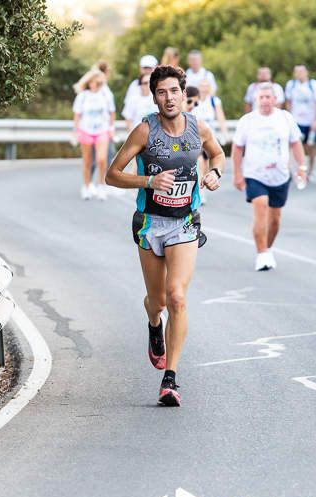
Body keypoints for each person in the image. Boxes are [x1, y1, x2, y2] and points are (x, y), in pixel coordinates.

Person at [106, 65, 225, 407]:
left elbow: (217, 153)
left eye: (174, 91)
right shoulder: (145, 131)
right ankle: (153, 323)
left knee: (177, 297)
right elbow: (112, 174)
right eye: (162, 92)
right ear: (154, 96)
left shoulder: (198, 128)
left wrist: (215, 172)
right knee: (157, 301)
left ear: (183, 94)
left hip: (185, 222)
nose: (169, 98)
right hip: (150, 222)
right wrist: (149, 181)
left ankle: (170, 379)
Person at [232, 83, 307, 271]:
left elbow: (296, 143)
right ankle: (262, 253)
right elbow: (238, 147)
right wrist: (237, 173)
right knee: (260, 204)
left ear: (275, 99)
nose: (265, 100)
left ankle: (268, 248)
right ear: (256, 100)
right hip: (255, 174)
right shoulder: (247, 121)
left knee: (275, 218)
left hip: (280, 175)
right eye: (261, 97)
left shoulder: (285, 118)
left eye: (268, 97)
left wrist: (302, 167)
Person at [73, 68, 116, 200]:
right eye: (95, 82)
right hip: (85, 130)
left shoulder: (105, 95)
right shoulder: (82, 96)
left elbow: (112, 112)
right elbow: (77, 115)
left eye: (100, 83)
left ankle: (101, 186)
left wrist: (111, 127)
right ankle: (86, 186)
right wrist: (75, 132)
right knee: (87, 161)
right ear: (89, 82)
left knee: (101, 159)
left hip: (102, 130)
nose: (97, 85)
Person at [285, 65, 316, 180]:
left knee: (310, 146)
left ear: (306, 72)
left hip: (310, 120)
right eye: (297, 72)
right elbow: (288, 102)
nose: (299, 74)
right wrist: (289, 118)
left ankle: (310, 171)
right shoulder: (291, 85)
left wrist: (315, 119)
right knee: (293, 146)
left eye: (301, 71)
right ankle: (292, 171)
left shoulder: (313, 85)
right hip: (296, 121)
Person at [191, 79, 228, 145]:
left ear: (209, 88)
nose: (204, 89)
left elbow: (220, 117)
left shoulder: (214, 100)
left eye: (206, 86)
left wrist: (224, 133)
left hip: (210, 133)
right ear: (198, 87)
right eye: (202, 86)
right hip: (195, 134)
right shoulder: (192, 99)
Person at [123, 54, 159, 119]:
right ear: (141, 68)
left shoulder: (161, 84)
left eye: (150, 68)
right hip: (137, 125)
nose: (147, 70)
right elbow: (128, 111)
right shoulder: (134, 85)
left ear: (156, 68)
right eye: (145, 68)